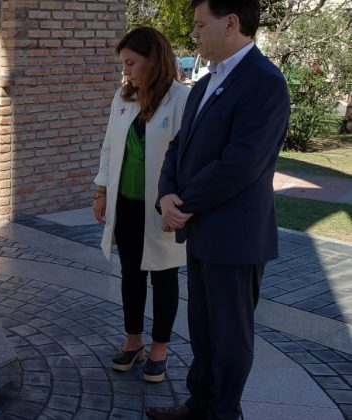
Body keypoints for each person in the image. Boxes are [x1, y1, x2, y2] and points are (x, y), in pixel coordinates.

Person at [145, 1, 290, 419]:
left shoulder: (264, 82)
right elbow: (178, 147)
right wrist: (166, 195)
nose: (193, 34)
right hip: (202, 229)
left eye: (199, 25)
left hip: (235, 236)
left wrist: (182, 204)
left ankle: (224, 412)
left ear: (231, 23)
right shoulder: (207, 82)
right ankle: (200, 404)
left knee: (230, 337)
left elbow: (241, 163)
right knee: (203, 331)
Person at [93, 27, 189, 383]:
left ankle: (160, 348)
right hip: (126, 204)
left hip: (161, 208)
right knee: (131, 276)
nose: (127, 71)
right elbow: (108, 148)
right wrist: (101, 191)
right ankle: (133, 340)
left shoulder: (181, 99)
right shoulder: (123, 98)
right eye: (124, 64)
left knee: (164, 277)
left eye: (132, 63)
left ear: (154, 59)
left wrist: (177, 207)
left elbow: (188, 160)